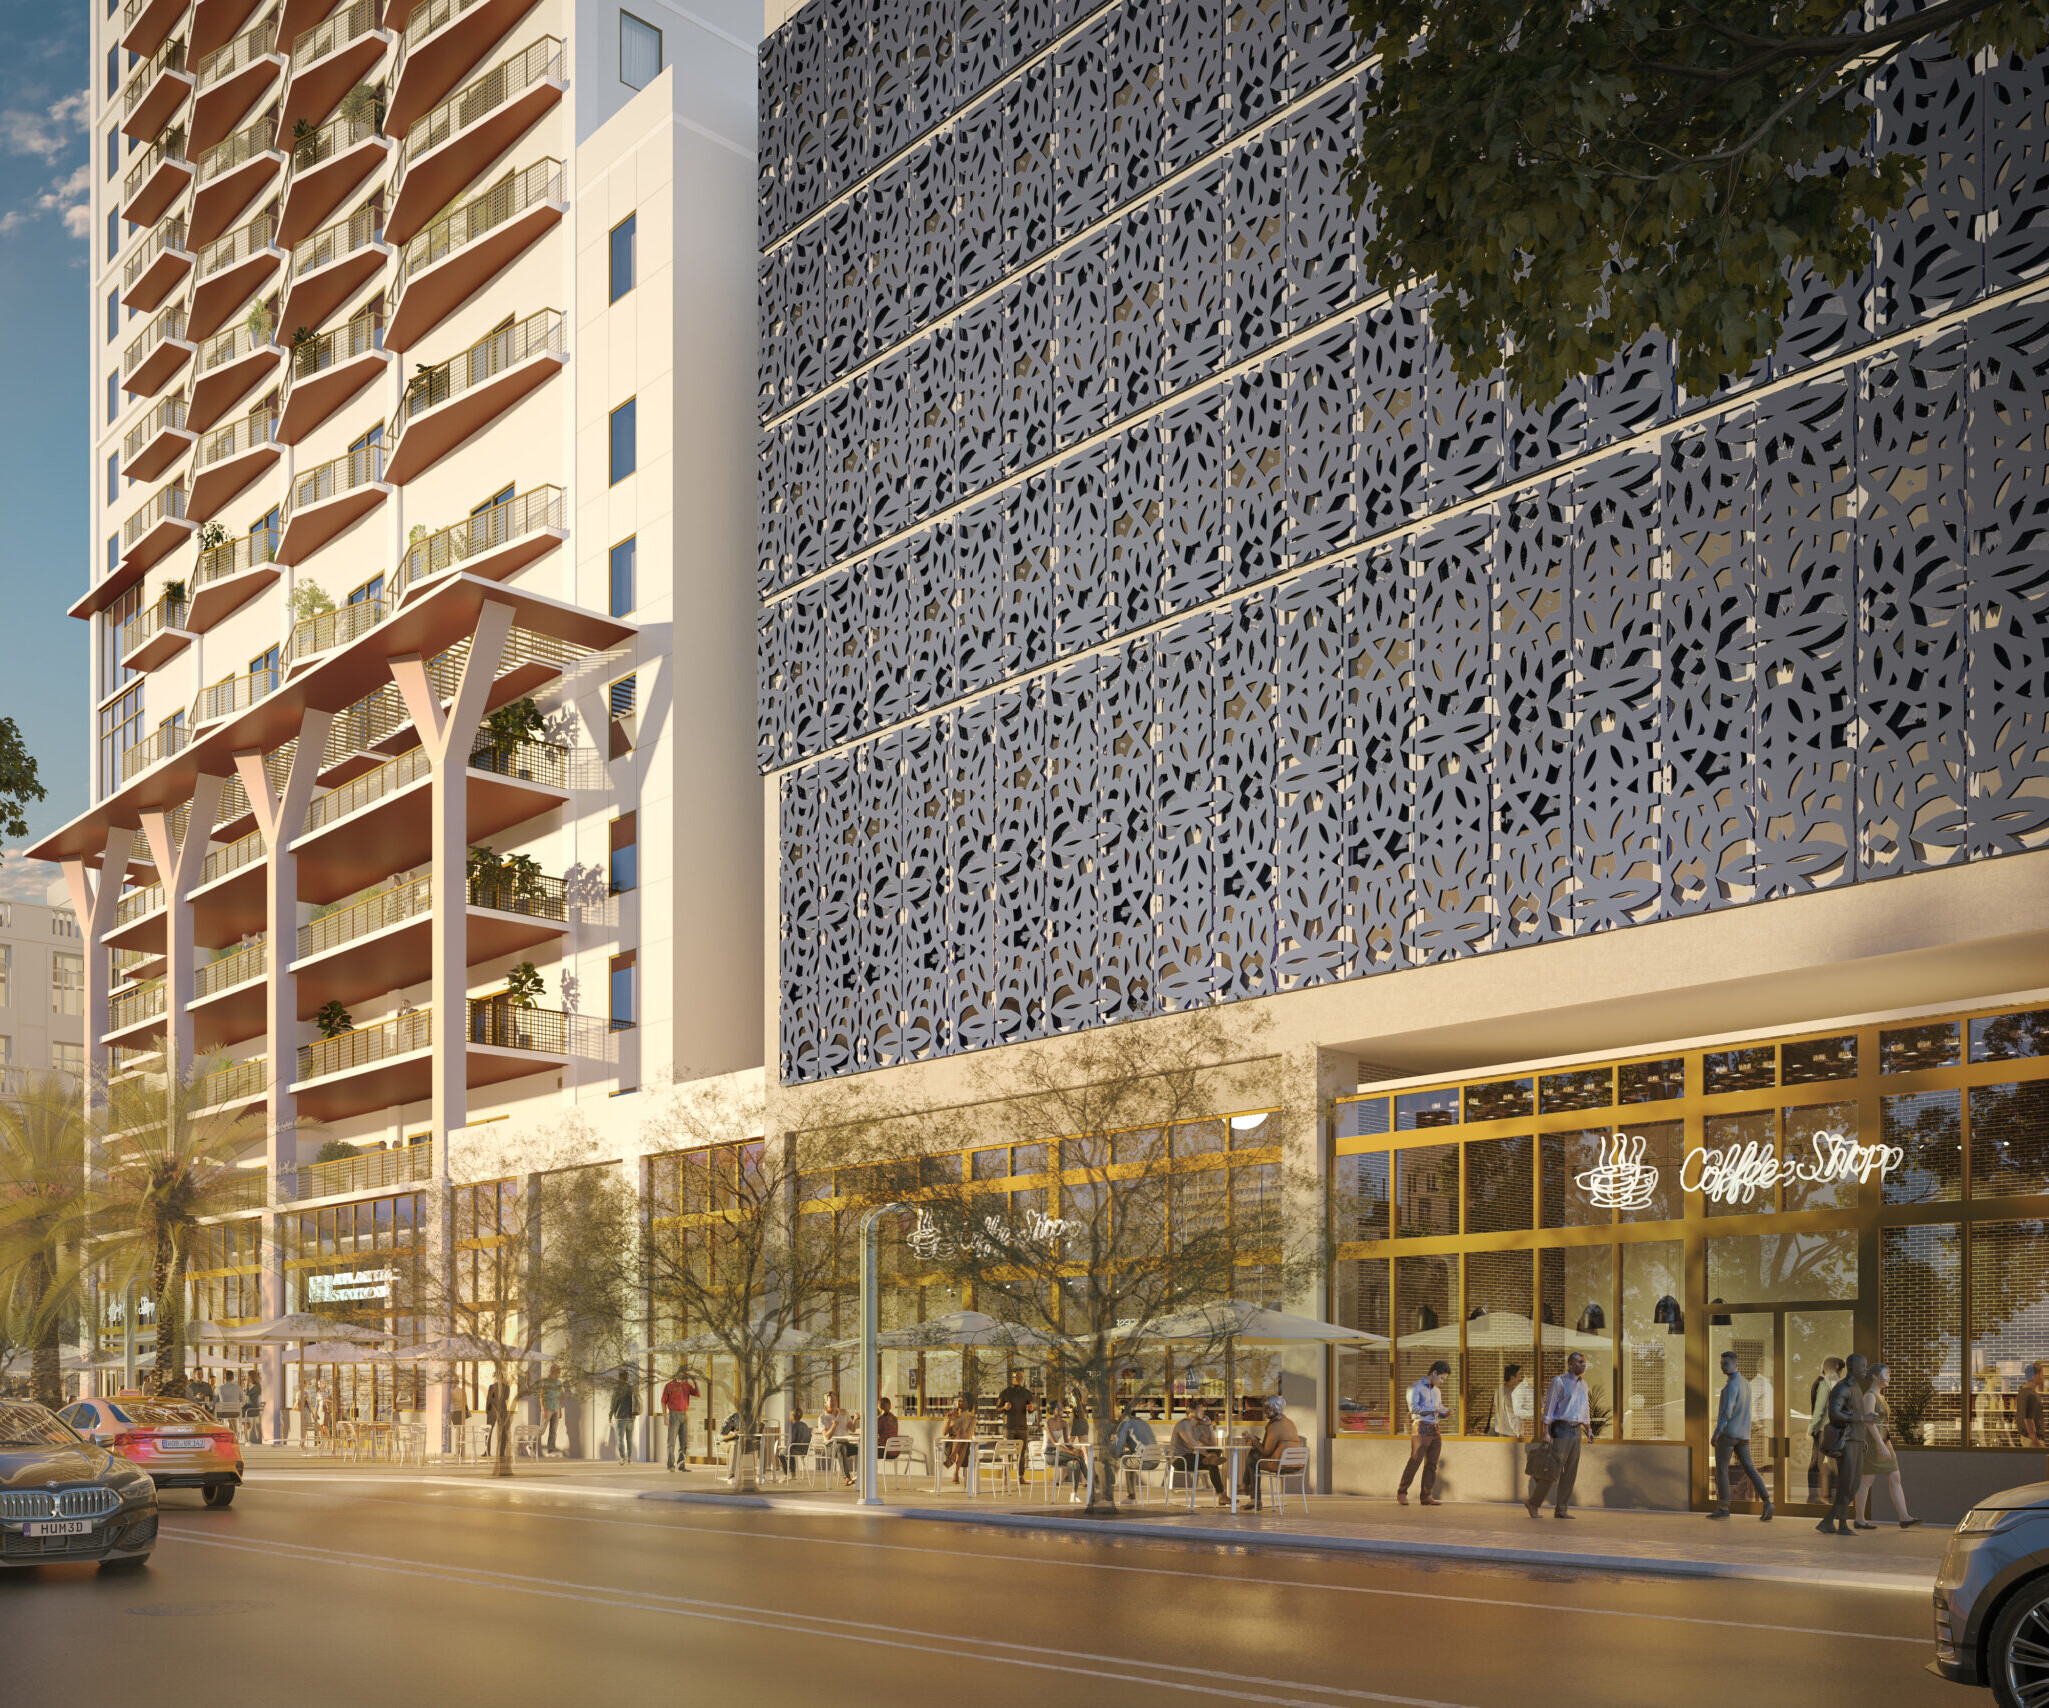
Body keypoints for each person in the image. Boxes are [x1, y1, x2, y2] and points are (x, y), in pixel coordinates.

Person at [1853, 1364, 1921, 1530]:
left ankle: (1904, 1517)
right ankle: (1859, 1519)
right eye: (1886, 1374)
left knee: (1895, 1477)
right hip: (1873, 1442)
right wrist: (1880, 1445)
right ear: (1875, 1376)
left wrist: (1887, 1444)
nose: (1889, 1378)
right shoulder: (1869, 1396)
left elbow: (1883, 1423)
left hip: (1884, 1441)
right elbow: (1870, 1423)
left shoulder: (1880, 1396)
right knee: (1866, 1480)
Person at [1707, 1350, 1774, 1520]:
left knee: (1721, 1469)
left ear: (1736, 1364)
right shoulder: (1746, 1384)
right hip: (1743, 1434)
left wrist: (1716, 1433)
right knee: (1750, 1468)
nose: (1723, 1367)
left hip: (1729, 1434)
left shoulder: (1731, 1385)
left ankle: (1723, 1508)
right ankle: (1767, 1501)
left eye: (1726, 1363)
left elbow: (1726, 1412)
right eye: (1721, 1363)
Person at [1526, 1351, 1592, 1519]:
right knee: (1551, 1470)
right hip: (1561, 1429)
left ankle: (1561, 1509)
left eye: (1584, 1362)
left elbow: (1584, 1410)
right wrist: (1545, 1431)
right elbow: (1549, 1407)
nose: (1582, 1365)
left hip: (1576, 1431)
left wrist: (1588, 1429)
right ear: (1570, 1364)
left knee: (1570, 1472)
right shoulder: (1559, 1381)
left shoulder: (1584, 1385)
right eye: (1579, 1362)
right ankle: (1533, 1502)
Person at [1818, 1352, 1869, 1536]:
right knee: (1846, 1484)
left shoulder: (1856, 1388)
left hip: (1856, 1440)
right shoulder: (1842, 1388)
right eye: (1863, 1366)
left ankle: (1829, 1521)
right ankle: (1841, 1523)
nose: (1866, 1369)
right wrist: (1862, 1418)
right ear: (1853, 1367)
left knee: (1853, 1484)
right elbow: (1835, 1415)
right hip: (1846, 1442)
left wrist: (1862, 1439)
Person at [1397, 1360, 1451, 1507]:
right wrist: (1434, 1410)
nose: (1442, 1382)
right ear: (1433, 1373)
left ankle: (1426, 1496)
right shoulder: (1415, 1388)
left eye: (1444, 1379)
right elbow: (1413, 1409)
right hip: (1420, 1428)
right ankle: (1402, 1492)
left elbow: (1438, 1408)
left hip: (1435, 1429)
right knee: (1415, 1461)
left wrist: (1445, 1412)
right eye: (1441, 1378)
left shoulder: (1437, 1391)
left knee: (1432, 1464)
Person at [1243, 1396, 1302, 1508]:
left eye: (1268, 1408)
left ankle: (1254, 1497)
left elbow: (1265, 1452)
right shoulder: (1289, 1422)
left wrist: (1253, 1439)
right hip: (1297, 1463)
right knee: (1254, 1456)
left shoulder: (1274, 1426)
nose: (1265, 1411)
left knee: (1252, 1459)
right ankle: (1246, 1485)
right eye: (1265, 1408)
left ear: (1276, 1408)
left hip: (1281, 1464)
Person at [1170, 1404, 1228, 1506]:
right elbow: (1192, 1444)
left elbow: (1213, 1445)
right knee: (1211, 1459)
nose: (1203, 1413)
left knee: (1215, 1454)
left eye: (1203, 1411)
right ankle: (1221, 1495)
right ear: (1191, 1411)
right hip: (1180, 1459)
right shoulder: (1183, 1424)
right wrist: (1207, 1455)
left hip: (1191, 1458)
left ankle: (1221, 1496)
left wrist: (1209, 1426)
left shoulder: (1195, 1428)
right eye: (1200, 1411)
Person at [1806, 1356, 1844, 1504]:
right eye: (1841, 1370)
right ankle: (1818, 1497)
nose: (1840, 1374)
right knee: (1821, 1462)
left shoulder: (1822, 1382)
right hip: (1825, 1430)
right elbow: (1820, 1408)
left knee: (1823, 1462)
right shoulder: (1823, 1383)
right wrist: (1812, 1427)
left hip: (1825, 1429)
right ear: (1835, 1367)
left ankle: (1819, 1496)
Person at [996, 1370, 1036, 1480]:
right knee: (1007, 1453)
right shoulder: (1005, 1392)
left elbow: (1030, 1409)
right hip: (1009, 1427)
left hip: (1022, 1427)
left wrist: (1031, 1409)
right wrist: (1004, 1408)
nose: (1017, 1378)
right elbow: (997, 1410)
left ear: (1022, 1378)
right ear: (1012, 1378)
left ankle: (1021, 1477)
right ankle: (1006, 1477)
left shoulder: (1027, 1393)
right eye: (1015, 1376)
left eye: (1019, 1376)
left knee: (1022, 1454)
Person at [1111, 1401, 1157, 1498]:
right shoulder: (1143, 1422)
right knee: (1128, 1459)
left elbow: (1118, 1449)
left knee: (1113, 1459)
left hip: (1143, 1460)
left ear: (1121, 1411)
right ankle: (1131, 1495)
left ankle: (1107, 1490)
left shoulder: (1125, 1423)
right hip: (1156, 1459)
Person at [1044, 1404, 1088, 1500]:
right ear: (1052, 1410)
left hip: (1059, 1454)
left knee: (1076, 1462)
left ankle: (1073, 1494)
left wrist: (1075, 1450)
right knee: (1078, 1457)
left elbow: (1067, 1443)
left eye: (1061, 1408)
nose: (1061, 1410)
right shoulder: (1048, 1423)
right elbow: (1055, 1443)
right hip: (1049, 1454)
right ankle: (1091, 1482)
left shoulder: (1064, 1423)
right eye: (1058, 1408)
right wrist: (1072, 1453)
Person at [660, 1366, 699, 1471]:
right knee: (671, 1442)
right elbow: (663, 1401)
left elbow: (697, 1394)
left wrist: (695, 1382)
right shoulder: (669, 1386)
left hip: (684, 1415)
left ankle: (681, 1465)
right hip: (673, 1415)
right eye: (682, 1374)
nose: (683, 1376)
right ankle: (670, 1465)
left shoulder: (686, 1385)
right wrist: (665, 1417)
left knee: (684, 1442)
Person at [2017, 1361, 2049, 1480]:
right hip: (2032, 1441)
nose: (2043, 1377)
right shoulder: (2030, 1395)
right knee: (2039, 1477)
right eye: (2042, 1374)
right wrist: (2036, 1441)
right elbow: (2028, 1419)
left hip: (2027, 1439)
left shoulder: (2022, 1392)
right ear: (2036, 1376)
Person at [819, 1392, 857, 1485]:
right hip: (830, 1446)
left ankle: (859, 1475)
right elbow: (827, 1436)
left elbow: (852, 1429)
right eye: (831, 1400)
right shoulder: (822, 1417)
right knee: (840, 1447)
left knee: (860, 1448)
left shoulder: (844, 1412)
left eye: (835, 1400)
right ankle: (847, 1478)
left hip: (844, 1443)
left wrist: (855, 1418)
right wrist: (833, 1426)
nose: (834, 1403)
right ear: (825, 1402)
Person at [1490, 1363, 1530, 1440]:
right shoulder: (1506, 1393)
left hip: (1498, 1430)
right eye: (1518, 1375)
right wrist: (1518, 1433)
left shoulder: (1498, 1390)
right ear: (1512, 1377)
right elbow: (1511, 1415)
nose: (1519, 1378)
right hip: (1507, 1433)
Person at [942, 1397, 976, 1485]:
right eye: (959, 1400)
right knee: (962, 1440)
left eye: (963, 1400)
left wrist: (959, 1431)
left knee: (963, 1436)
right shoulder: (951, 1415)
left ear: (968, 1404)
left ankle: (952, 1459)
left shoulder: (971, 1418)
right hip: (950, 1443)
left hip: (964, 1442)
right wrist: (949, 1420)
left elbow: (968, 1435)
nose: (960, 1402)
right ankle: (955, 1472)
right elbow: (944, 1432)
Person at [608, 1369, 638, 1463]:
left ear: (620, 1377)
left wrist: (610, 1415)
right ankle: (629, 1457)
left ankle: (622, 1458)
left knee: (620, 1439)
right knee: (629, 1439)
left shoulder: (618, 1389)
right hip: (631, 1418)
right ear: (627, 1378)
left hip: (621, 1418)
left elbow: (613, 1403)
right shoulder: (632, 1388)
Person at [539, 1363, 565, 1457]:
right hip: (547, 1408)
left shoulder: (559, 1382)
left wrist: (560, 1409)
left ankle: (550, 1450)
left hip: (556, 1408)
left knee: (553, 1430)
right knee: (542, 1429)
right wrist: (543, 1409)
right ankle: (530, 1445)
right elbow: (541, 1396)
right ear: (552, 1371)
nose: (558, 1373)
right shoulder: (545, 1382)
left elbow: (559, 1396)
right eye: (557, 1371)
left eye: (559, 1371)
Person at [484, 1374, 511, 1459]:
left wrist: (487, 1411)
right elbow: (505, 1398)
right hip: (501, 1411)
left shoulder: (493, 1387)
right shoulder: (506, 1387)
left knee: (488, 1432)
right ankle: (501, 1452)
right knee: (502, 1432)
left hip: (492, 1411)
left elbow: (489, 1399)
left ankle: (487, 1451)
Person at [781, 1407, 814, 1478]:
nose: (789, 1416)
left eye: (790, 1415)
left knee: (782, 1453)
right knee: (789, 1451)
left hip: (796, 1450)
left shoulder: (794, 1426)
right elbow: (809, 1436)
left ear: (793, 1417)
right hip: (805, 1450)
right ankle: (792, 1473)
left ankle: (787, 1474)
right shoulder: (805, 1425)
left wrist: (785, 1448)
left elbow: (791, 1441)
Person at [874, 1396, 902, 1465]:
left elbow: (873, 1433)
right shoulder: (894, 1418)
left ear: (879, 1407)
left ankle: (868, 1473)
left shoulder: (881, 1419)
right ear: (890, 1406)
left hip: (886, 1451)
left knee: (866, 1451)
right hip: (896, 1451)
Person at [242, 1371, 263, 1445]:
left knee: (240, 1413)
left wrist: (246, 1384)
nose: (246, 1378)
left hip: (253, 1408)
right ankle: (245, 1433)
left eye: (247, 1377)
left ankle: (246, 1435)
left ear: (251, 1377)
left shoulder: (257, 1386)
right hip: (249, 1407)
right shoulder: (251, 1386)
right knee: (238, 1412)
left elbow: (246, 1393)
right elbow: (244, 1393)